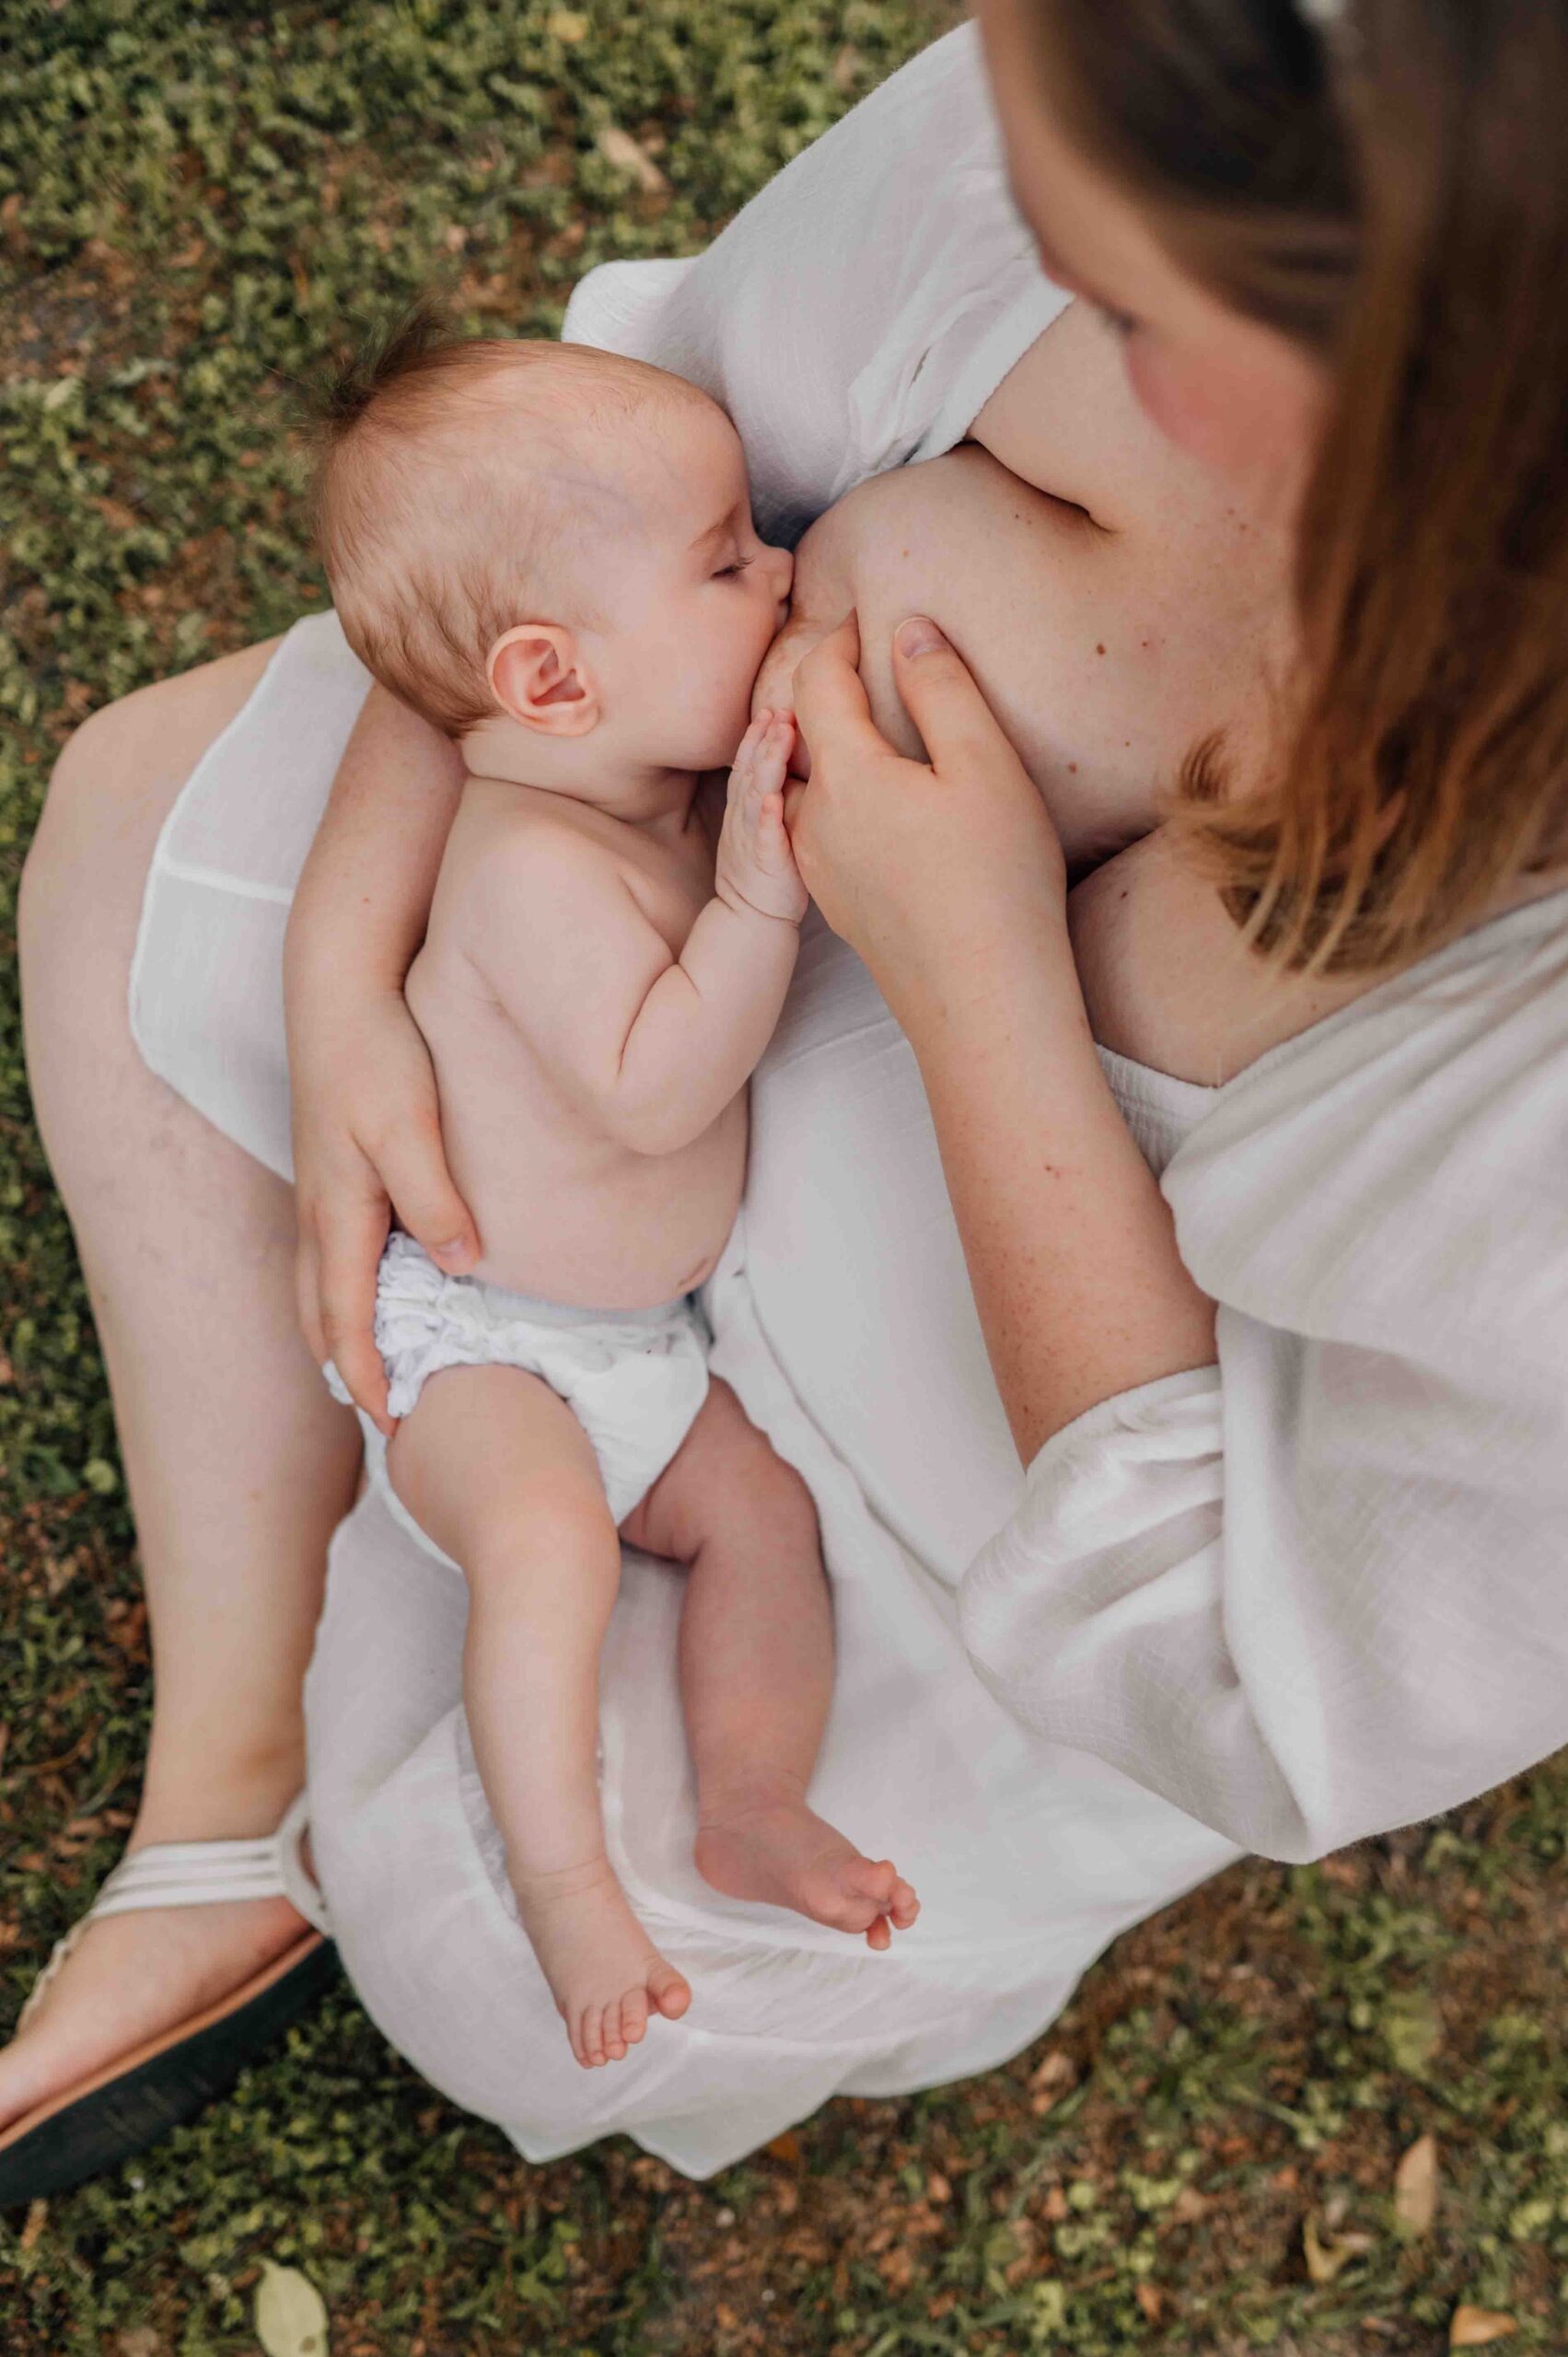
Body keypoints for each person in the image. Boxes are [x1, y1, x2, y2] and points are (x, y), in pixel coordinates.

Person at [4, 0, 1565, 2189]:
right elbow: (560, 527)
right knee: (141, 838)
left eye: (1130, 296)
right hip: (570, 1038)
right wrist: (353, 975)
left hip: (929, 1508)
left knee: (513, 1938)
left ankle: (395, 1775)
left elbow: (1254, 1683)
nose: (1085, 327)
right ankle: (224, 1773)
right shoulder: (1208, 68)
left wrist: (978, 967)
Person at [310, 326, 917, 2067]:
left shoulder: (626, 793)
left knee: (761, 1526)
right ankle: (568, 1879)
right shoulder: (525, 869)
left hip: (635, 1342)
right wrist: (755, 903)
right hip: (477, 1341)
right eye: (729, 558)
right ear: (554, 683)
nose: (784, 567)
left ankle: (748, 1800)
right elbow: (654, 1089)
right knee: (551, 1542)